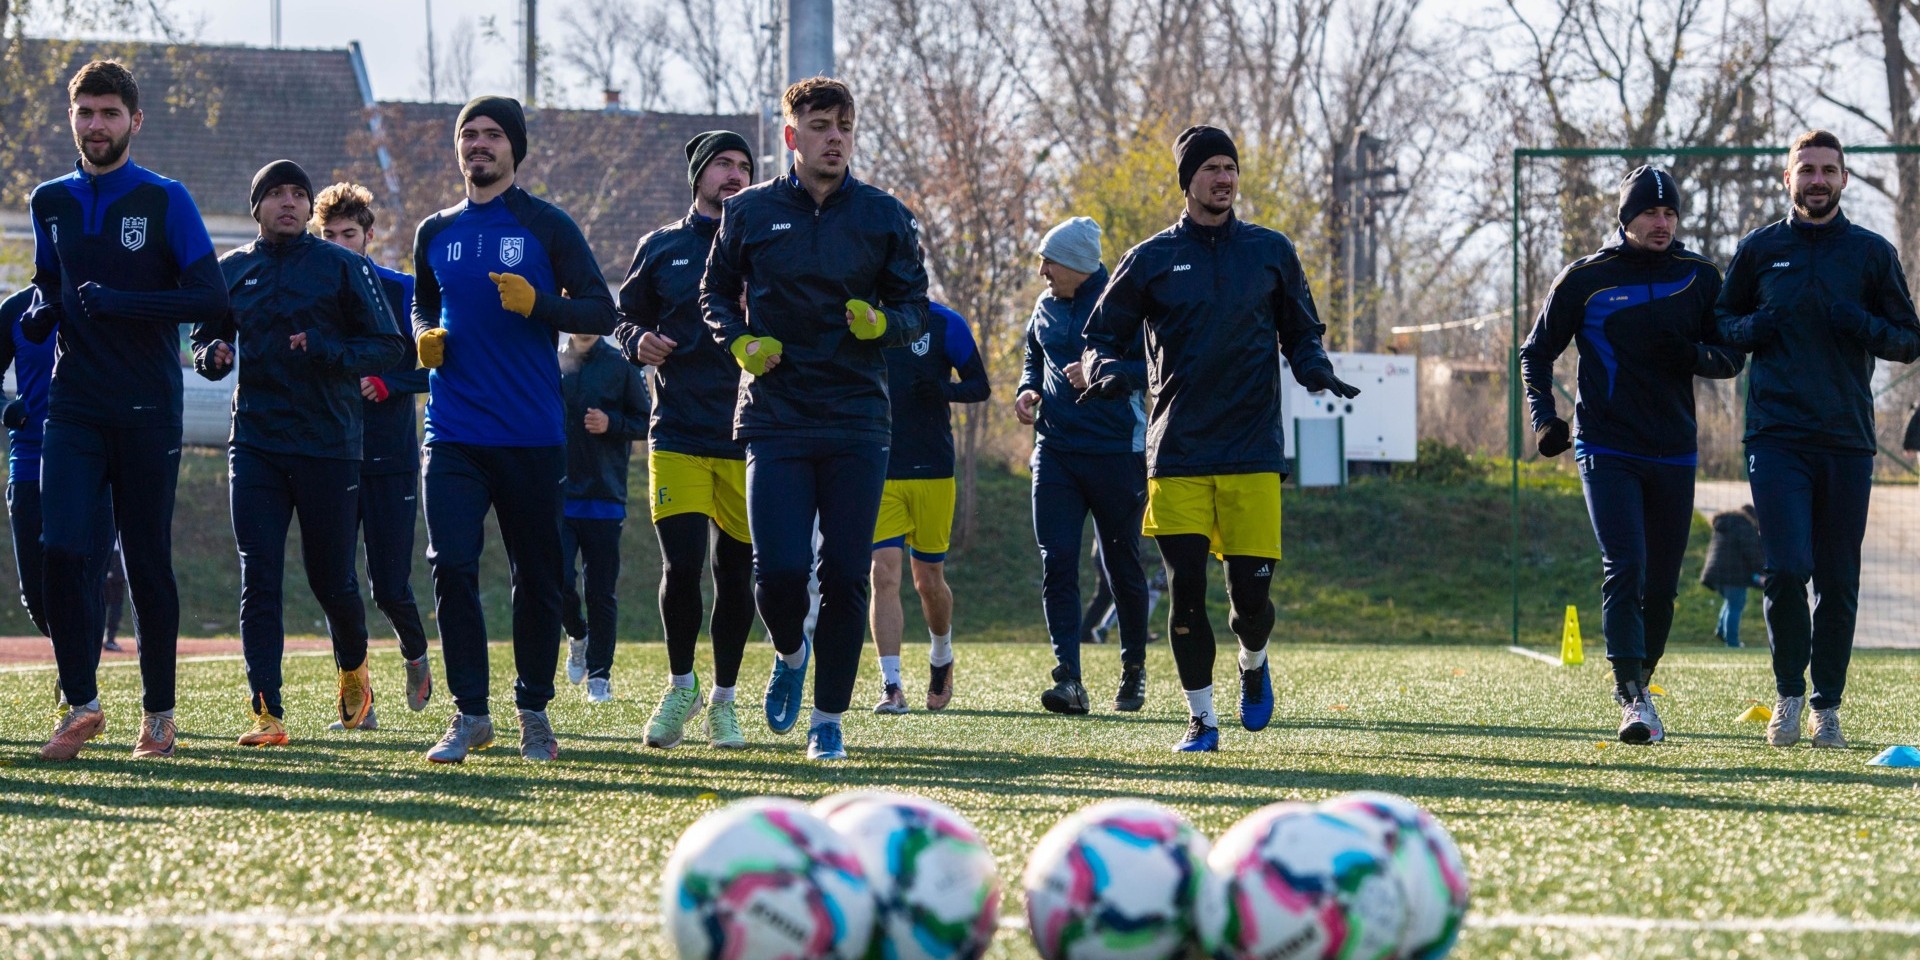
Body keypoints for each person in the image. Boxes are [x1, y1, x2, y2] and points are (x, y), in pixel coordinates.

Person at [1082, 125, 1357, 752]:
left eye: (1230, 166)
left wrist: (1314, 367)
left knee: (1249, 601)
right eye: (1210, 167)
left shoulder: (1270, 251)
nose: (1224, 177)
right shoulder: (1150, 259)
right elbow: (1100, 337)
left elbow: (1302, 331)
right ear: (1188, 182)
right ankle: (1201, 721)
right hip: (1177, 451)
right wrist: (1106, 371)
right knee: (1184, 594)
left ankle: (1253, 662)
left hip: (1252, 450)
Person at [702, 77, 929, 761]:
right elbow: (714, 295)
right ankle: (790, 653)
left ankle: (828, 720)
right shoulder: (748, 211)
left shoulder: (885, 216)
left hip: (857, 417)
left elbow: (915, 309)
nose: (835, 138)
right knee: (777, 572)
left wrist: (883, 323)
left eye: (845, 127)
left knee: (845, 576)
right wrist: (740, 342)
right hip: (774, 414)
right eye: (822, 126)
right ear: (792, 136)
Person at [30, 61, 230, 761]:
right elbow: (48, 282)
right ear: (72, 118)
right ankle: (81, 705)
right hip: (74, 404)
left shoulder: (165, 199)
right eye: (86, 112)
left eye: (110, 112)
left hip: (148, 407)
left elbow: (210, 299)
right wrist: (41, 310)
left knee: (146, 562)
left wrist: (125, 304)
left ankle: (159, 716)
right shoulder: (48, 200)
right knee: (61, 549)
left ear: (134, 121)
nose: (97, 125)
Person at [411, 96, 617, 764]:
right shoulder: (434, 230)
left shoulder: (546, 225)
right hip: (452, 431)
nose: (478, 144)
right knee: (450, 566)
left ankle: (533, 710)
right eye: (468, 134)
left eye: (492, 134)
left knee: (539, 578)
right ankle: (470, 714)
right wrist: (424, 333)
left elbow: (601, 310)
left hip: (531, 433)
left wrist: (541, 305)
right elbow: (423, 301)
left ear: (514, 149)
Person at [1520, 165, 1743, 744]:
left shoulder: (1700, 277)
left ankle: (1642, 681)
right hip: (1606, 443)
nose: (1662, 223)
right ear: (1625, 218)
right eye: (1649, 212)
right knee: (1626, 565)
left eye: (1670, 213)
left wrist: (1691, 355)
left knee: (1662, 585)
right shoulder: (1585, 278)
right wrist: (1545, 418)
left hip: (1675, 450)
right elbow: (1535, 352)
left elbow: (1731, 357)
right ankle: (1632, 697)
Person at [1714, 129, 1920, 749]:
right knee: (1786, 568)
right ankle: (1788, 695)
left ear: (1844, 179)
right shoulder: (1758, 250)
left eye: (1829, 170)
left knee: (1837, 579)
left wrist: (1859, 322)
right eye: (1807, 169)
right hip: (1776, 436)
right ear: (1788, 178)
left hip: (1847, 440)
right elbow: (1721, 323)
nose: (1818, 180)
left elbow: (1909, 340)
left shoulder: (1871, 253)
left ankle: (1826, 706)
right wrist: (1757, 327)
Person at [193, 159, 407, 746]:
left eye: (297, 194)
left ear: (309, 207)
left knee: (331, 578)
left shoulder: (343, 266)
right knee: (258, 575)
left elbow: (389, 346)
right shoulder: (231, 269)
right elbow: (205, 336)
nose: (288, 202)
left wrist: (327, 349)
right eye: (275, 194)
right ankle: (266, 712)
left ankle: (354, 671)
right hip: (255, 442)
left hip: (329, 443)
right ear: (256, 207)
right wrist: (212, 355)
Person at [614, 130, 758, 750]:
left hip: (749, 433)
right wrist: (635, 341)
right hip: (675, 431)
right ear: (698, 175)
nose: (734, 175)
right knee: (681, 567)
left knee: (736, 575)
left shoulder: (763, 244)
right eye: (723, 164)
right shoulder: (662, 246)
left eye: (743, 165)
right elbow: (622, 315)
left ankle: (724, 699)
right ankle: (681, 686)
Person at [1014, 215, 1154, 715]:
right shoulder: (1044, 306)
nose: (1043, 271)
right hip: (1055, 452)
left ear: (1075, 263)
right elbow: (1033, 355)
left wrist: (1104, 373)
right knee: (1057, 561)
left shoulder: (1123, 302)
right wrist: (1027, 389)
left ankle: (1133, 670)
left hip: (1116, 452)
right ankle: (1069, 679)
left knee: (1121, 564)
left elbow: (1154, 368)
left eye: (1049, 262)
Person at [314, 181, 436, 713]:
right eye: (329, 235)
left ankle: (415, 653)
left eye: (349, 234)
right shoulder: (311, 293)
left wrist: (391, 384)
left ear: (368, 236)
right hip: (328, 457)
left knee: (387, 585)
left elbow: (440, 370)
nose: (340, 244)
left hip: (389, 459)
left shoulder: (403, 291)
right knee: (335, 583)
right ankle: (357, 689)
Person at [868, 300, 989, 714]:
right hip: (880, 466)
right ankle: (891, 685)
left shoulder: (944, 323)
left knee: (928, 581)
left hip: (933, 470)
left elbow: (980, 386)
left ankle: (941, 656)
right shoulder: (864, 321)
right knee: (883, 573)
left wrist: (944, 390)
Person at [0, 288, 116, 653]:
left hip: (93, 464)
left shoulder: (101, 299)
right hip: (30, 464)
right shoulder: (16, 309)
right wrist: (5, 408)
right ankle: (73, 663)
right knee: (39, 597)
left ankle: (77, 682)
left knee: (87, 584)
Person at [556, 331, 648, 702]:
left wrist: (613, 423)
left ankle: (599, 676)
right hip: (558, 494)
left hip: (605, 495)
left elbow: (646, 420)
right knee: (558, 580)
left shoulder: (621, 364)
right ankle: (577, 634)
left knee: (601, 591)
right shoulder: (550, 360)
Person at [1701, 505, 1764, 649]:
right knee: (1735, 605)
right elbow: (1752, 553)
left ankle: (1721, 631)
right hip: (1733, 574)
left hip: (1716, 573)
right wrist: (1763, 572)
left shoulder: (1725, 525)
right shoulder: (1745, 526)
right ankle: (1732, 642)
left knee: (1731, 602)